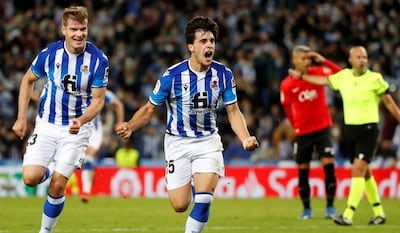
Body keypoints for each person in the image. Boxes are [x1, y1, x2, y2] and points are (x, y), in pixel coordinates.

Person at [116, 16, 259, 233]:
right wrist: (131, 126)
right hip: (177, 143)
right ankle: (192, 181)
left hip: (208, 142)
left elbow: (233, 110)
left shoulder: (223, 74)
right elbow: (149, 109)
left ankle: (200, 189)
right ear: (190, 46)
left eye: (212, 41)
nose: (209, 45)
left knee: (203, 199)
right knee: (180, 205)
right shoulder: (171, 77)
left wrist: (245, 137)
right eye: (203, 41)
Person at [289, 46, 400, 226]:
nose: (362, 60)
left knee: (357, 169)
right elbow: (322, 81)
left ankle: (348, 214)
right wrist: (301, 76)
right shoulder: (344, 77)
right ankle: (379, 212)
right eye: (358, 57)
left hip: (369, 130)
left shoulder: (375, 79)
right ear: (350, 60)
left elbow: (389, 103)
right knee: (365, 170)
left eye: (365, 57)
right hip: (351, 131)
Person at [11, 6, 108, 233]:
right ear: (63, 29)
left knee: (57, 184)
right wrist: (21, 118)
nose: (79, 34)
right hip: (46, 123)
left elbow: (99, 101)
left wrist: (81, 121)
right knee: (30, 178)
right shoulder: (50, 54)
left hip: (76, 129)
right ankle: (53, 167)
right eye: (74, 29)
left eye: (83, 29)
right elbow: (27, 80)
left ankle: (45, 231)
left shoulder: (98, 60)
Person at [280, 45, 341, 220]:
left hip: (323, 129)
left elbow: (342, 76)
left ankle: (330, 207)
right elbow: (287, 108)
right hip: (303, 133)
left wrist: (324, 60)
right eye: (303, 58)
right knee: (303, 170)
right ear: (294, 60)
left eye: (309, 58)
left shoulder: (318, 72)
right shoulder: (287, 84)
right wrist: (296, 126)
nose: (307, 61)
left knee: (329, 167)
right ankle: (306, 209)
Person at [80, 89, 124, 202]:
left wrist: (119, 122)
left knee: (88, 158)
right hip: (72, 127)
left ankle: (86, 190)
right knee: (79, 160)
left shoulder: (99, 90)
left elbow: (118, 104)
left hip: (93, 129)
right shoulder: (75, 86)